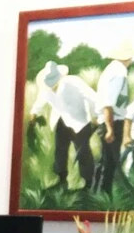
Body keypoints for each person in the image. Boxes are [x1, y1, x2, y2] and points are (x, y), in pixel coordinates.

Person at [28, 60, 97, 189]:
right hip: (61, 120)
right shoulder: (46, 88)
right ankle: (61, 181)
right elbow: (40, 100)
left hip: (80, 122)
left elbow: (92, 98)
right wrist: (34, 113)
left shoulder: (74, 82)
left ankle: (88, 184)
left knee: (83, 152)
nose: (52, 86)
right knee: (60, 151)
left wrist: (95, 116)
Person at [92, 39, 134, 194]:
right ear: (128, 57)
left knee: (105, 161)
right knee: (109, 163)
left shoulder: (111, 69)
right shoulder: (119, 73)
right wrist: (110, 128)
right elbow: (108, 103)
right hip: (112, 121)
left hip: (107, 119)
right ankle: (103, 196)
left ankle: (95, 194)